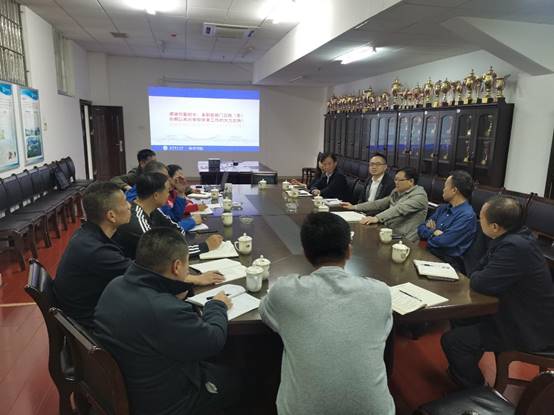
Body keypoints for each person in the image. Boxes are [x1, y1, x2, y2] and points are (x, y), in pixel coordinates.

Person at [94, 228, 242, 415]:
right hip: (164, 403)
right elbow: (214, 341)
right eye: (187, 263)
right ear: (177, 266)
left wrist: (176, 288)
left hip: (123, 386)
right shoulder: (164, 310)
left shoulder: (114, 285)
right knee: (239, 377)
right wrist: (217, 305)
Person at [259, 212, 395, 415]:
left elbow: (265, 313)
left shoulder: (284, 291)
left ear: (305, 253)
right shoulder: (381, 292)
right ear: (349, 251)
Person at [441, 196, 554, 388]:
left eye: (481, 218)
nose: (479, 221)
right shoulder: (515, 236)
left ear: (494, 226)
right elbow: (478, 270)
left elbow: (479, 281)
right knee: (460, 317)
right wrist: (478, 274)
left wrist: (478, 274)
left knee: (453, 342)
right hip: (515, 311)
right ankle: (460, 372)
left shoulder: (514, 247)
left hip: (527, 326)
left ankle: (475, 390)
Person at [53, 182, 132, 329]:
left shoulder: (87, 233)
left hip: (92, 308)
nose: (129, 206)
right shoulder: (96, 251)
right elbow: (141, 273)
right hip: (91, 324)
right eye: (125, 202)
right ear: (111, 215)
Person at [113, 173, 223, 272]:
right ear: (156, 195)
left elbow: (177, 230)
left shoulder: (153, 209)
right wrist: (204, 246)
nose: (169, 194)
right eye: (167, 191)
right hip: (138, 274)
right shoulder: (137, 220)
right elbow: (162, 256)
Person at [341, 167, 428, 242]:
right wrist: (355, 207)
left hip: (404, 239)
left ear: (411, 181)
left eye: (400, 180)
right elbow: (379, 203)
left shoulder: (419, 197)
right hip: (388, 232)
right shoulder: (397, 191)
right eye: (395, 179)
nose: (396, 182)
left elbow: (398, 209)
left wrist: (376, 218)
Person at [417, 170, 476, 270]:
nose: (443, 190)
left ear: (454, 190)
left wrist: (430, 232)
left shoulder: (467, 216)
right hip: (429, 254)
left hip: (448, 263)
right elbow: (420, 229)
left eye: (445, 186)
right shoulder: (442, 208)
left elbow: (444, 242)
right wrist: (434, 232)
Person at [126, 161, 203, 232]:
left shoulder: (155, 201)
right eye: (165, 177)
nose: (169, 180)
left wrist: (180, 192)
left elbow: (173, 219)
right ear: (152, 177)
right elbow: (161, 234)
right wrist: (191, 222)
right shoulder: (140, 201)